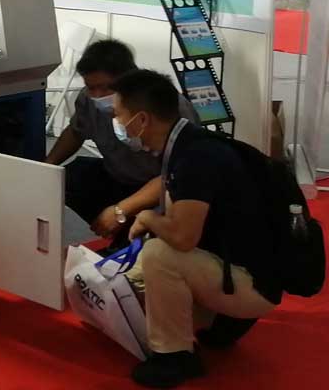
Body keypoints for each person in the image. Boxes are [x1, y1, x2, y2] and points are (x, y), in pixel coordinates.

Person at [115, 70, 279, 389]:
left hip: (250, 282)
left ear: (142, 119)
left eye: (118, 115)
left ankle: (174, 357)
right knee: (138, 280)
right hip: (237, 266)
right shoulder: (190, 144)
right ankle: (217, 323)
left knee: (158, 254)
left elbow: (182, 238)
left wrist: (146, 217)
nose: (117, 123)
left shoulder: (195, 158)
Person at [46, 40, 199, 250]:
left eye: (106, 87)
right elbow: (76, 131)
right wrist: (46, 167)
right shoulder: (88, 100)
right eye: (91, 88)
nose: (97, 96)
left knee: (153, 243)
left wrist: (121, 210)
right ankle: (116, 233)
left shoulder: (170, 108)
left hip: (159, 187)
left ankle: (128, 236)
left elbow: (174, 175)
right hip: (117, 175)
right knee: (68, 178)